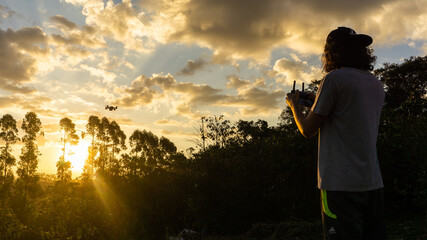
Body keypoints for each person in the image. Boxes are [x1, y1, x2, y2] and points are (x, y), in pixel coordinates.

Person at [285, 26, 386, 239]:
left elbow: (308, 130)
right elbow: (347, 113)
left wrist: (294, 106)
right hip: (372, 182)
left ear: (332, 52)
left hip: (340, 185)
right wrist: (317, 101)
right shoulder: (374, 83)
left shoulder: (334, 79)